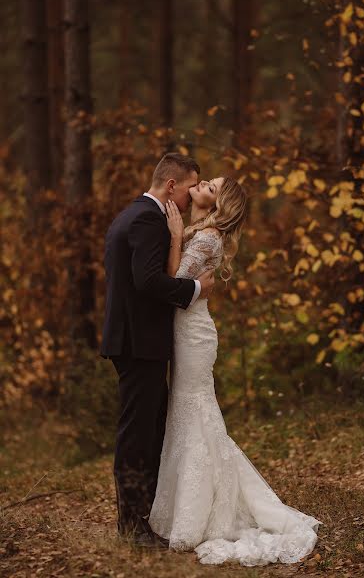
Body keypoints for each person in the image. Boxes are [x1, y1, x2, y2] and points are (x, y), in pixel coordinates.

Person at [149, 176, 322, 566]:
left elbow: (176, 282)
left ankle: (198, 516)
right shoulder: (202, 229)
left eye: (210, 184)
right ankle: (186, 507)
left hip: (193, 335)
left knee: (195, 413)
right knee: (189, 414)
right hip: (187, 331)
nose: (203, 181)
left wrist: (176, 237)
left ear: (218, 203)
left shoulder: (207, 238)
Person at [100, 153, 215, 547]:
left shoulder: (129, 214)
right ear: (171, 186)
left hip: (133, 339)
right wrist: (197, 290)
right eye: (188, 188)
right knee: (137, 435)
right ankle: (133, 527)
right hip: (140, 342)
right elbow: (148, 281)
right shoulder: (149, 219)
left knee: (147, 430)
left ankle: (143, 518)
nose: (187, 199)